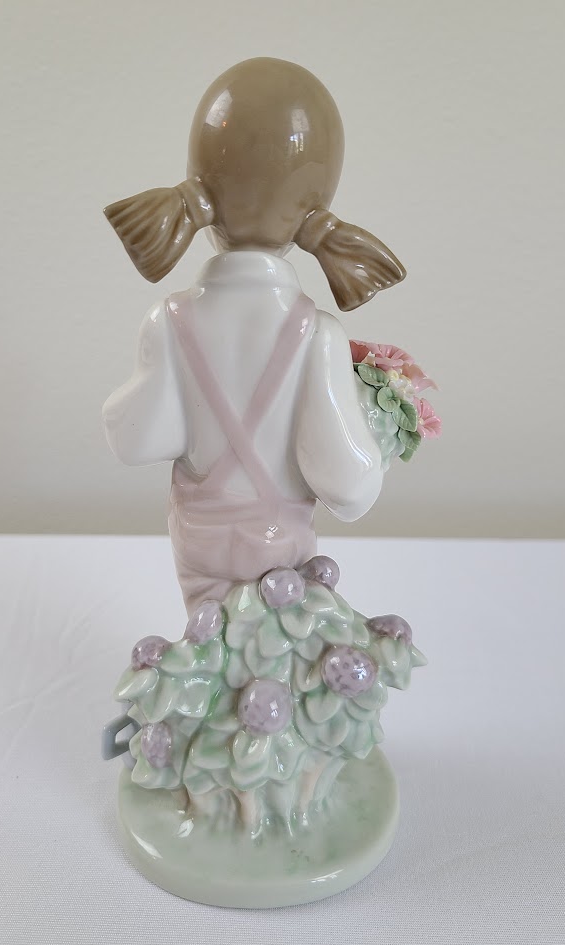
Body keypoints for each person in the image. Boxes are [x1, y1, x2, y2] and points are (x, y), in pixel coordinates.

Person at [102, 58, 406, 613]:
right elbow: (347, 487)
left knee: (205, 641)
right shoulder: (317, 335)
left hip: (198, 541)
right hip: (279, 553)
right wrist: (382, 429)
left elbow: (137, 441)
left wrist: (117, 409)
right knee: (271, 648)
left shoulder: (168, 320)